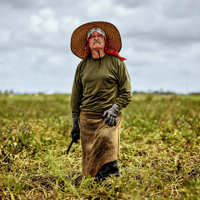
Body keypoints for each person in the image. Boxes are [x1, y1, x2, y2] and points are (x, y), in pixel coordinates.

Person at [70, 21, 132, 182]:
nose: (96, 38)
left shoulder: (116, 63)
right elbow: (76, 94)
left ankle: (110, 179)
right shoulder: (82, 66)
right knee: (90, 153)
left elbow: (126, 91)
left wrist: (114, 108)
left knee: (107, 141)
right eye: (92, 37)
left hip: (109, 115)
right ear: (87, 44)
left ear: (105, 42)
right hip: (87, 118)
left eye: (99, 36)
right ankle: (96, 180)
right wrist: (75, 122)